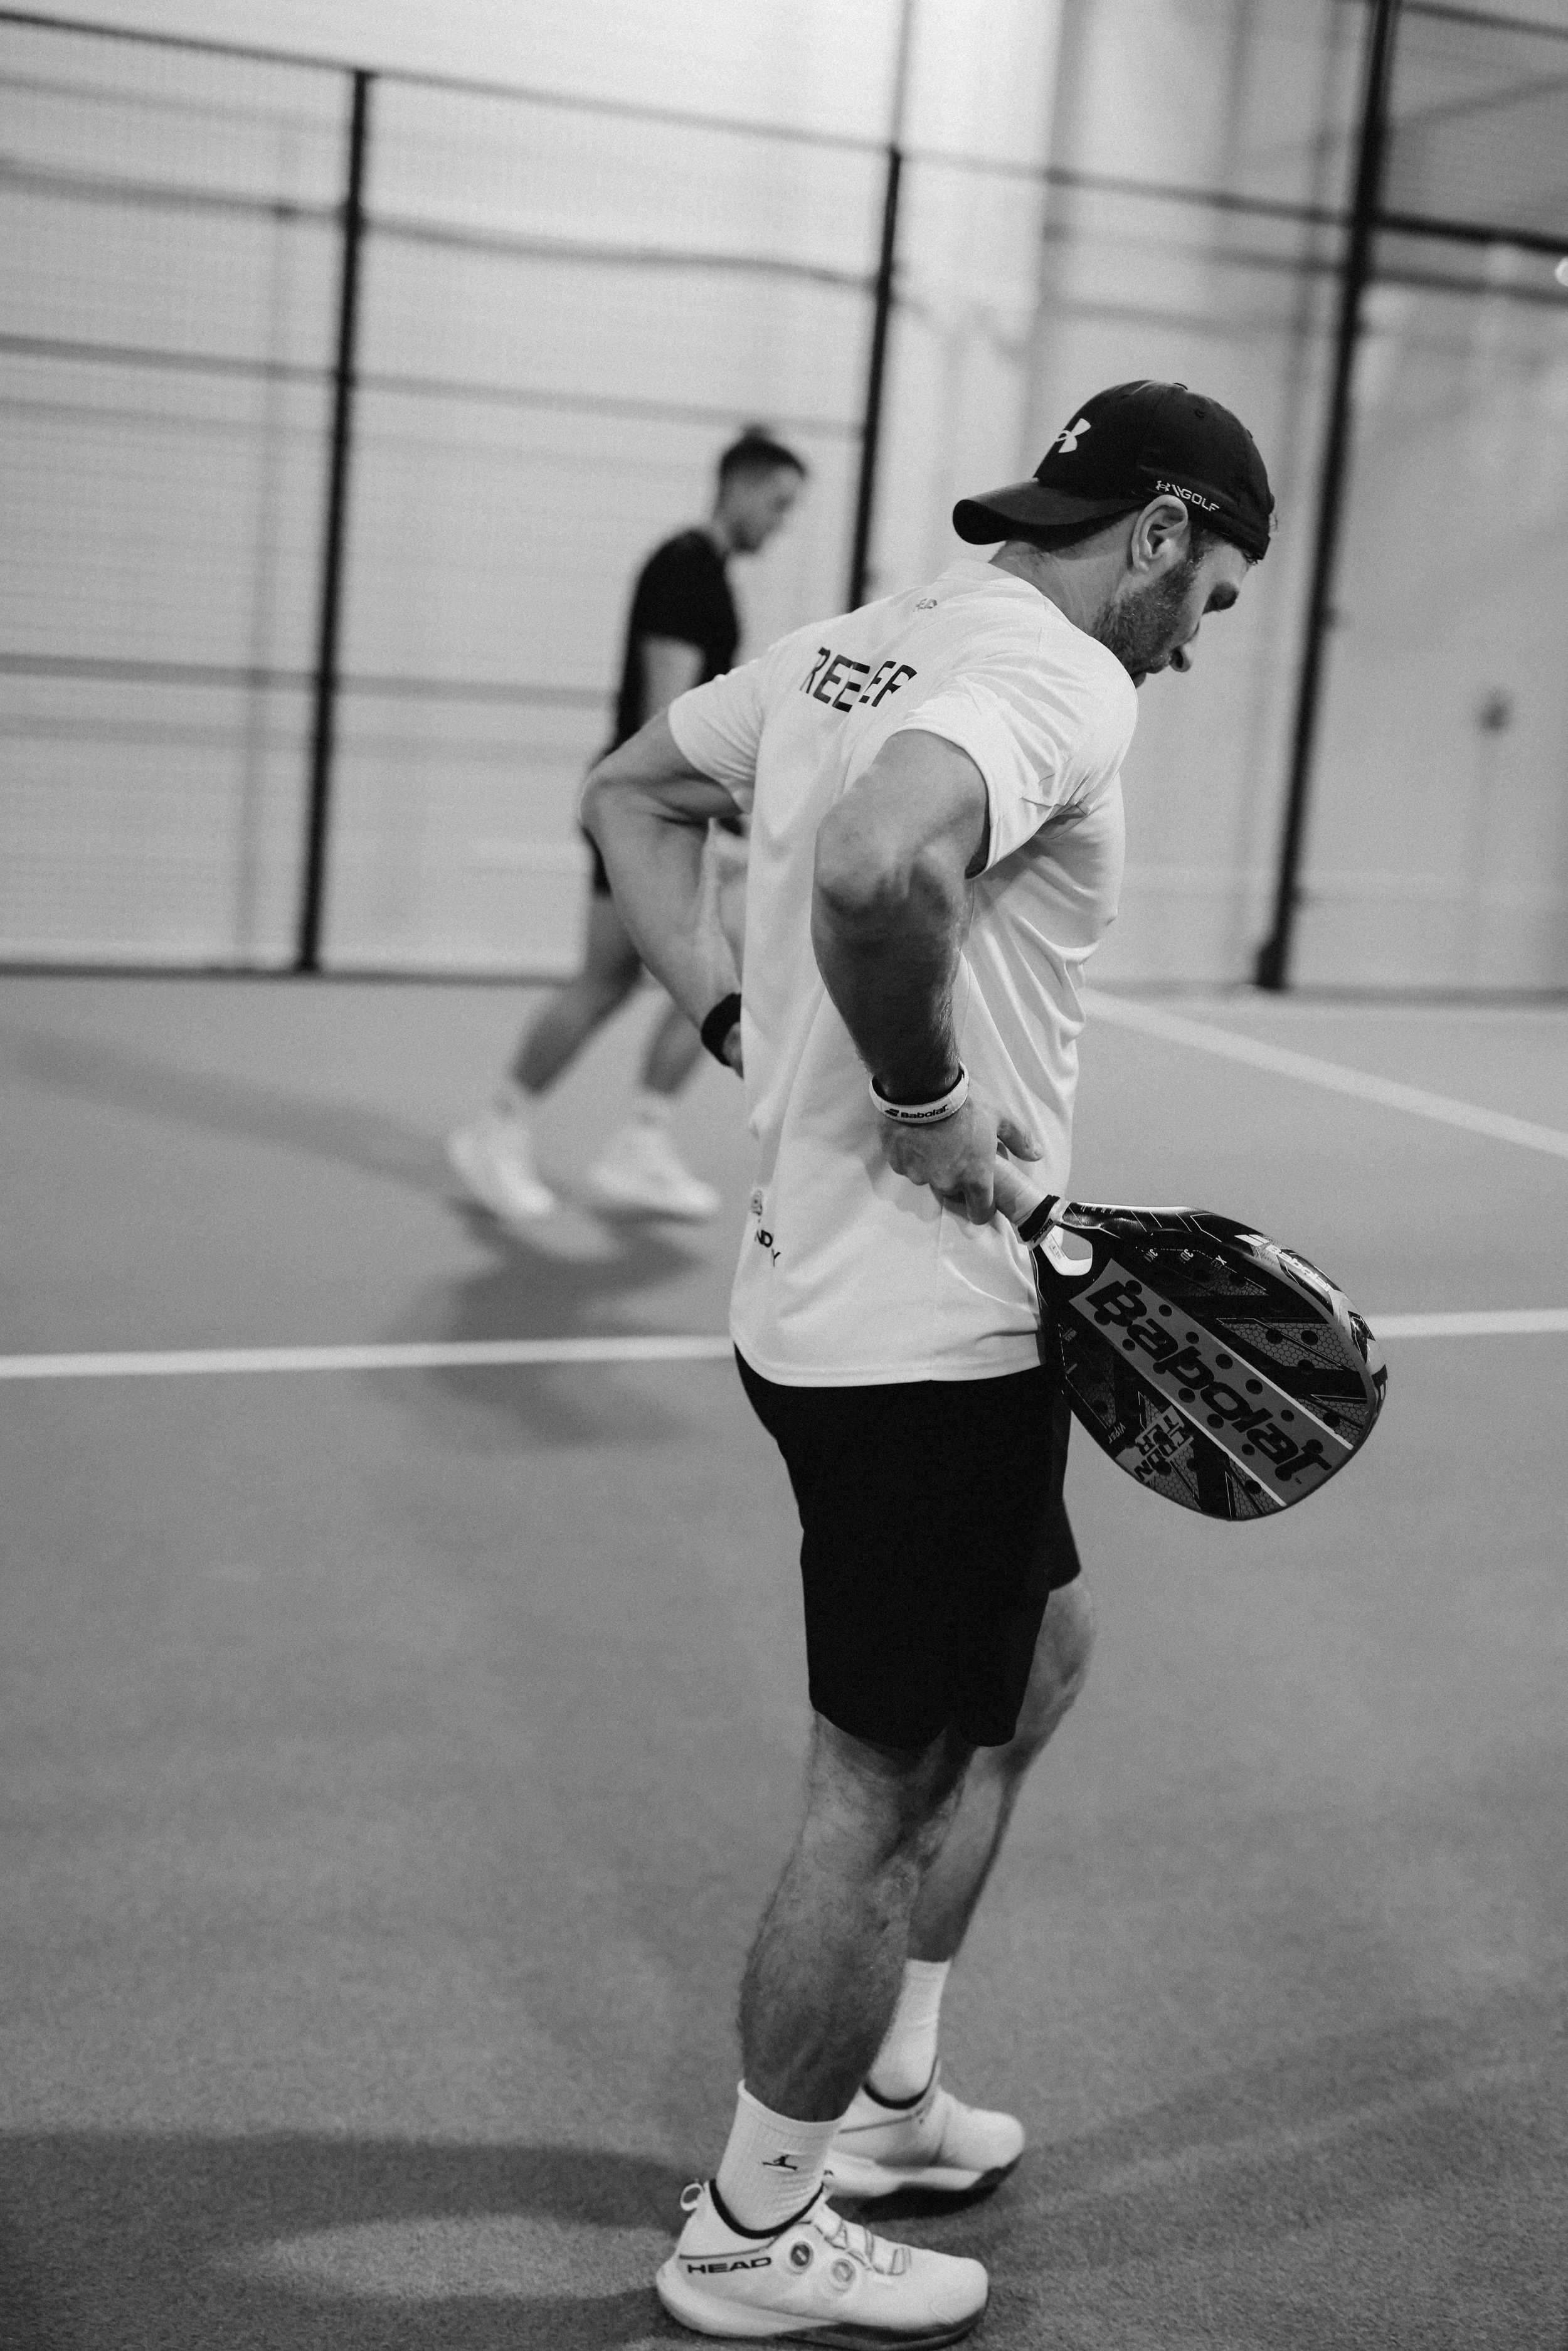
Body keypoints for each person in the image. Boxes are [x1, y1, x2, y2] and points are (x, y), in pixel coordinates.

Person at [583, 378, 1273, 2343]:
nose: (1196, 636)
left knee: (1037, 1659)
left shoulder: (850, 637)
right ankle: (753, 2220)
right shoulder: (1062, 679)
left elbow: (627, 789)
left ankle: (888, 2096)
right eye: (1207, 589)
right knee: (876, 1787)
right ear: (1151, 533)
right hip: (924, 1333)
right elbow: (884, 867)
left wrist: (730, 1019)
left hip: (816, 1299)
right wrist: (919, 1092)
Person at [447, 427, 805, 1223]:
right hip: (653, 812)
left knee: (621, 979)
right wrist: (730, 816)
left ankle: (621, 1139)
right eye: (777, 505)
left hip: (661, 809)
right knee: (694, 980)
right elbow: (664, 716)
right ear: (739, 486)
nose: (779, 524)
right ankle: (518, 1130)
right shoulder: (687, 571)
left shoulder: (703, 571)